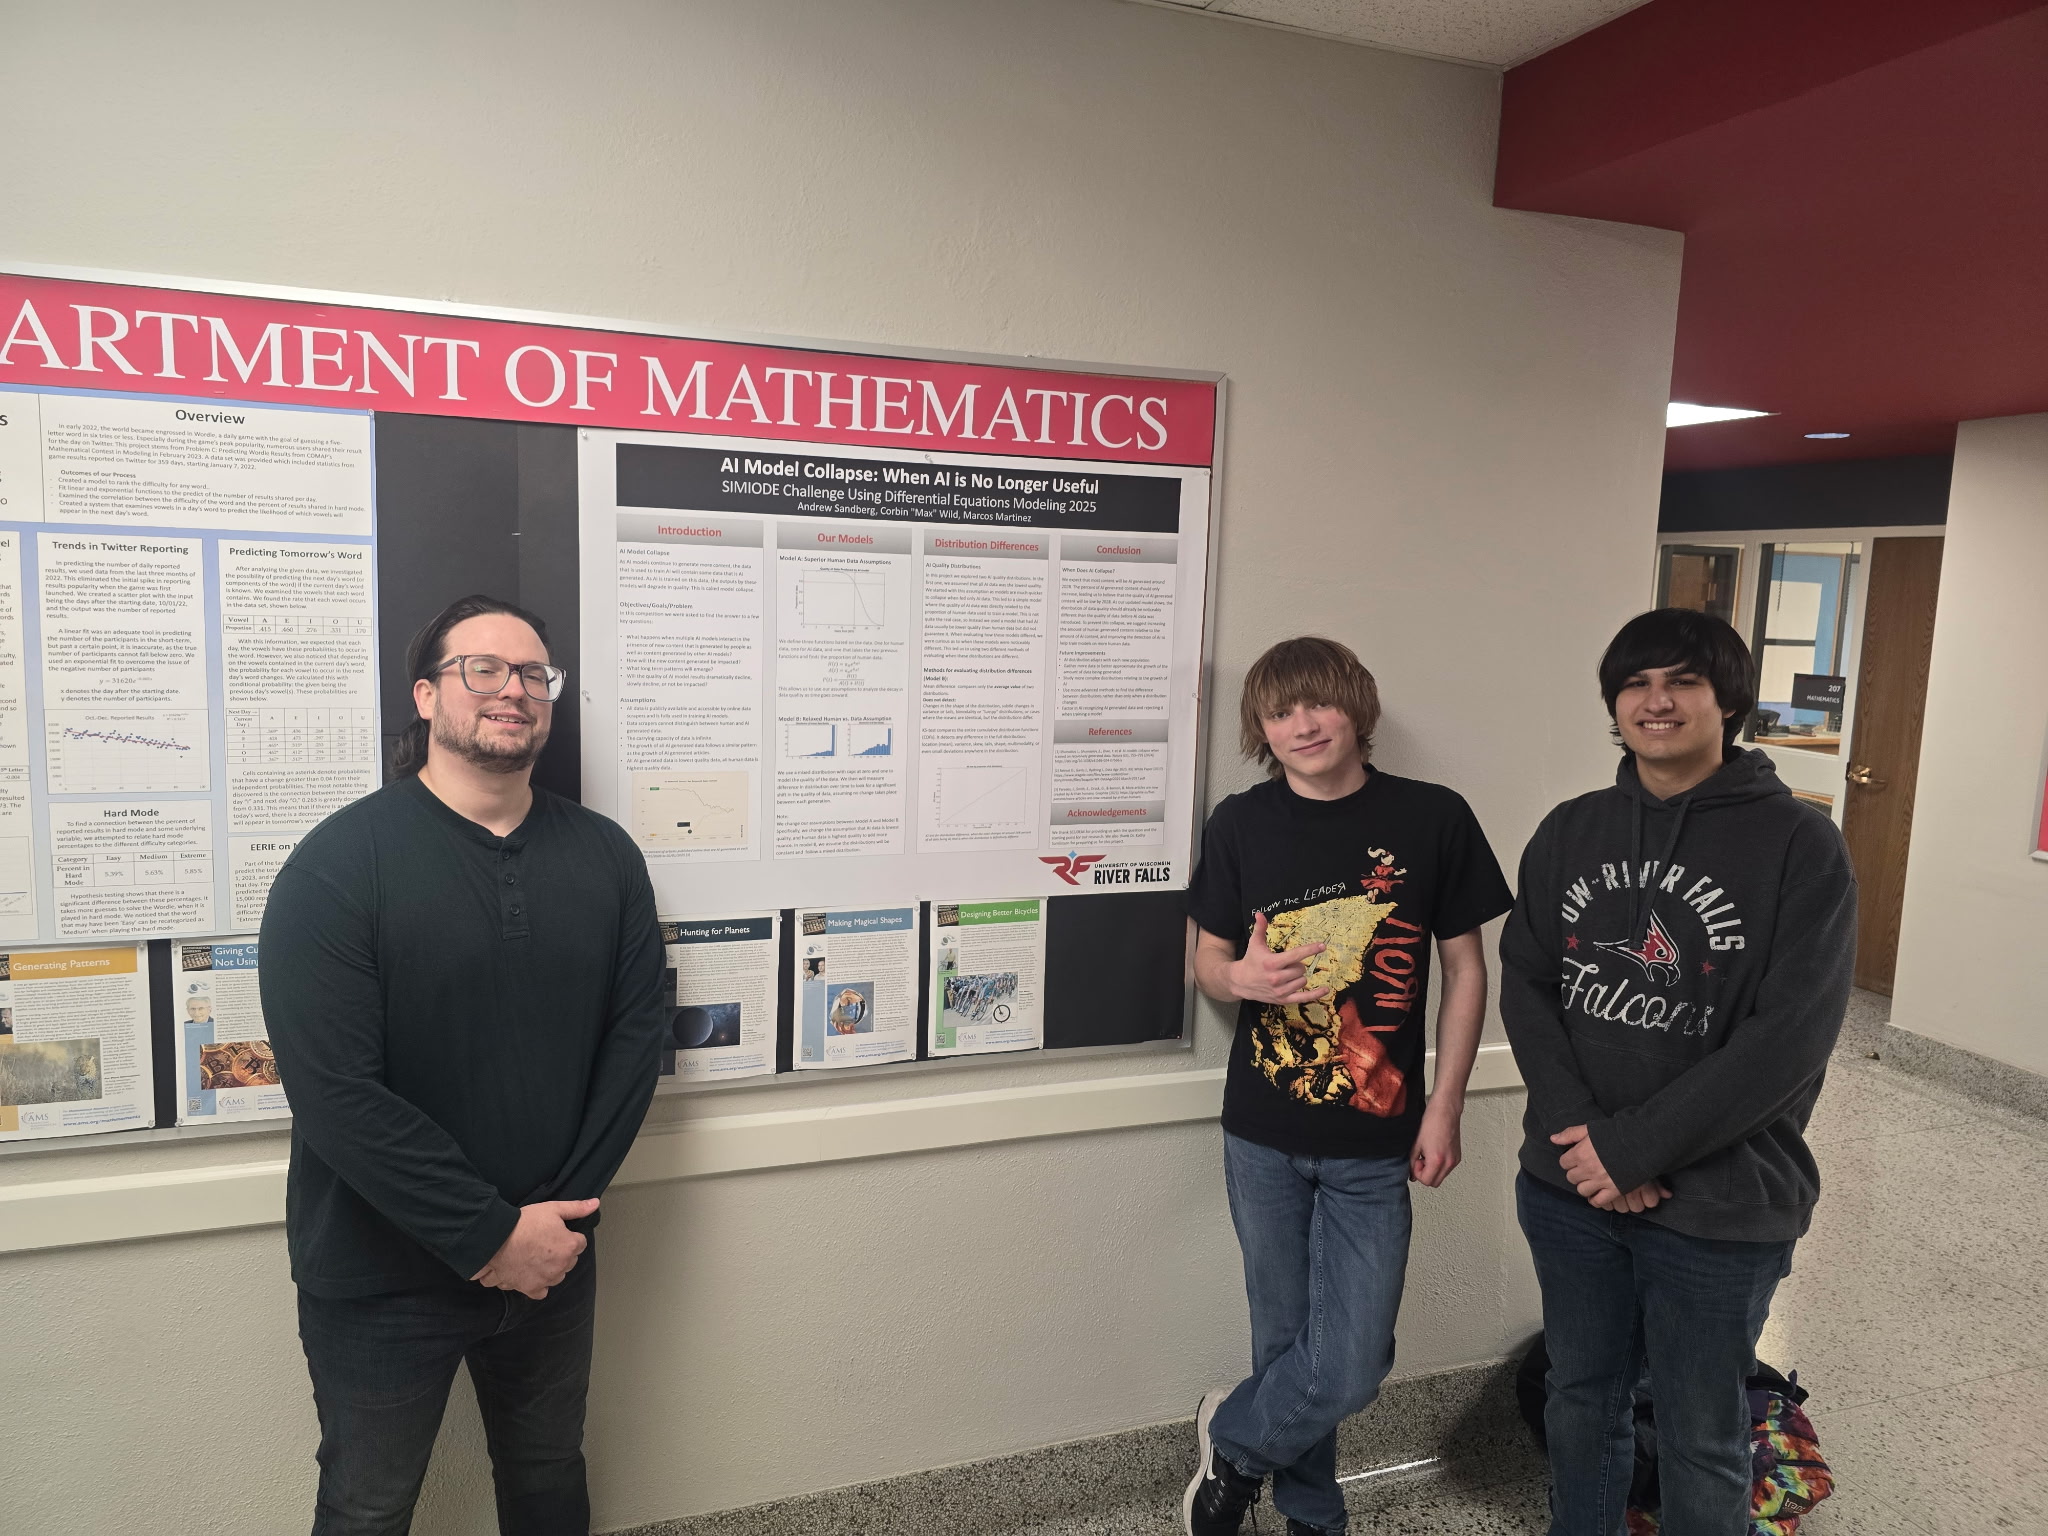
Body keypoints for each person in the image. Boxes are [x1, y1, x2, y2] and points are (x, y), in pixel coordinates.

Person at [262, 594, 669, 1536]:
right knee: (367, 1507)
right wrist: (491, 1237)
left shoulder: (605, 857)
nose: (512, 690)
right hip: (378, 1277)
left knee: (548, 1479)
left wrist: (554, 1220)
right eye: (481, 669)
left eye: (533, 674)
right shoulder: (338, 866)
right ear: (425, 695)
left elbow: (634, 1040)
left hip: (555, 1255)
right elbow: (336, 1093)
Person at [1501, 608, 1855, 1536]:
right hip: (1569, 1187)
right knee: (1583, 1404)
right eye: (1635, 685)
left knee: (1703, 1435)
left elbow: (1789, 1039)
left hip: (1720, 1206)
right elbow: (1529, 983)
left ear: (1727, 701)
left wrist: (1635, 1149)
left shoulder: (1799, 846)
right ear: (1614, 705)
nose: (1657, 702)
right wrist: (1590, 1144)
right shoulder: (1570, 829)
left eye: (1683, 682)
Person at [1182, 636, 1513, 1536]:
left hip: (1378, 1135)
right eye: (1280, 713)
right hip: (1261, 1131)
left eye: (1317, 705)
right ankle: (1313, 1514)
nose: (1301, 725)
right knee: (1286, 1338)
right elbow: (1205, 959)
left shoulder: (1432, 816)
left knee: (1354, 1360)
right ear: (1260, 729)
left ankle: (1236, 1440)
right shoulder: (1239, 823)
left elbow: (1465, 970)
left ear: (1356, 708)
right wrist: (1238, 981)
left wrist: (1445, 1105)